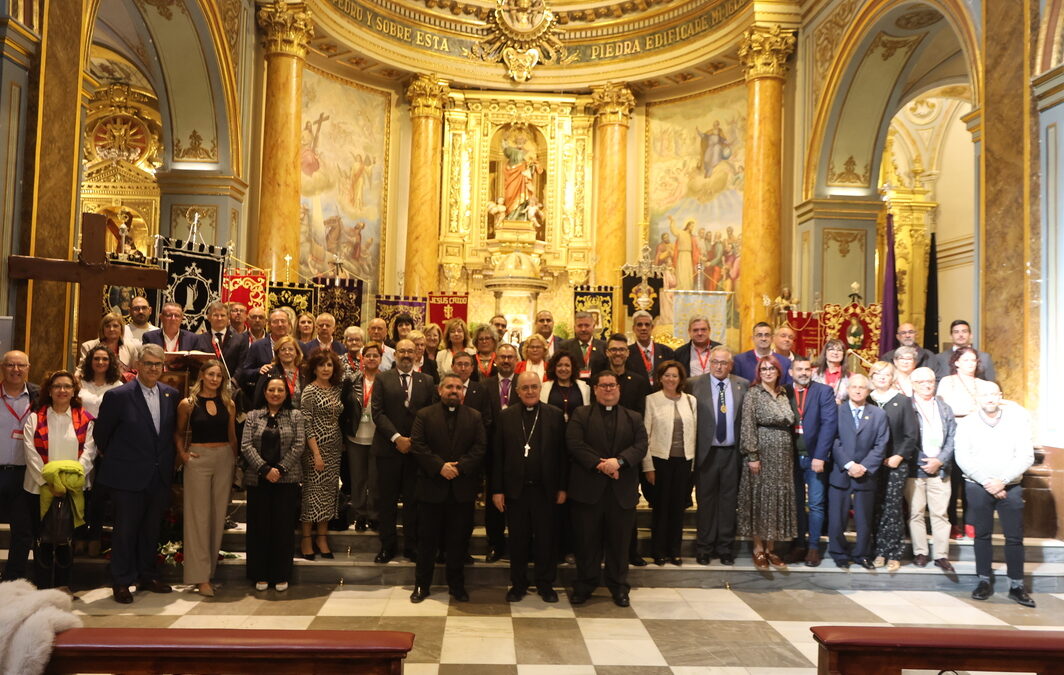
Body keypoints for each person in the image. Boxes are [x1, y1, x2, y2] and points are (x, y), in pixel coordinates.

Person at [93, 344, 179, 603]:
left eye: (158, 364)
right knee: (125, 531)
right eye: (149, 363)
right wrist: (124, 459)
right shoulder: (119, 396)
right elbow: (101, 436)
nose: (153, 368)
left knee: (151, 530)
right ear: (138, 366)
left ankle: (147, 574)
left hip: (158, 475)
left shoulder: (171, 395)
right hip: (127, 476)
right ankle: (121, 581)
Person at [566, 371, 648, 607]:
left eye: (612, 385)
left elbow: (641, 445)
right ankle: (585, 584)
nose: (608, 389)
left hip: (620, 493)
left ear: (619, 389)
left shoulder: (633, 417)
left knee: (619, 544)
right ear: (595, 389)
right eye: (603, 386)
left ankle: (619, 586)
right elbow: (574, 443)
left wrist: (619, 462)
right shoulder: (581, 414)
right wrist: (601, 465)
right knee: (586, 543)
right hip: (588, 492)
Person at [954, 380, 1035, 607]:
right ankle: (984, 581)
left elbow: (1026, 456)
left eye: (993, 394)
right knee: (982, 536)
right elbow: (962, 456)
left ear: (1000, 396)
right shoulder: (967, 423)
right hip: (978, 485)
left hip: (1010, 485)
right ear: (977, 398)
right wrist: (987, 481)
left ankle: (1017, 585)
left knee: (1014, 537)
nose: (989, 398)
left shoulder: (1017, 421)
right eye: (984, 394)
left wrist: (1003, 481)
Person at [408, 373, 486, 603]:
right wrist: (440, 466)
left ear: (463, 391)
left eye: (458, 387)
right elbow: (418, 445)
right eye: (449, 387)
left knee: (458, 541)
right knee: (427, 541)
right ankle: (421, 586)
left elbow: (480, 448)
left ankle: (457, 586)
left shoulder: (475, 416)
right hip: (432, 487)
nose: (454, 391)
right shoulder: (424, 415)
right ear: (440, 390)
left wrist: (459, 468)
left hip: (461, 490)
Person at [492, 372, 567, 602]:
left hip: (546, 490)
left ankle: (546, 584)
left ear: (540, 389)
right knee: (518, 540)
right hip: (516, 490)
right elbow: (497, 455)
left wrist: (563, 487)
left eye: (534, 387)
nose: (530, 391)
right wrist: (497, 489)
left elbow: (563, 454)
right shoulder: (506, 416)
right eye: (525, 388)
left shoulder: (554, 415)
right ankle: (519, 584)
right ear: (517, 391)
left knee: (546, 539)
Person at [22, 370, 96, 591]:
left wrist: (69, 483)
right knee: (42, 539)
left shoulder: (85, 419)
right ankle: (43, 586)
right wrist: (50, 483)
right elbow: (30, 453)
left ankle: (63, 586)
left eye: (67, 386)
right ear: (50, 390)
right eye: (57, 386)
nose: (62, 390)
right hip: (39, 487)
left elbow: (89, 453)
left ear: (74, 391)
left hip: (73, 490)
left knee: (66, 539)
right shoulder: (35, 418)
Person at [371, 338, 438, 563]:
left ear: (417, 354)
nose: (407, 355)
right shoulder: (382, 378)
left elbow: (430, 415)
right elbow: (377, 413)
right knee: (386, 501)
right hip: (388, 449)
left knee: (413, 501)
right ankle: (387, 546)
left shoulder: (427, 380)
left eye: (411, 351)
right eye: (402, 351)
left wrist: (413, 441)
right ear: (395, 354)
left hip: (416, 452)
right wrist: (397, 438)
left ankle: (412, 545)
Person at [175, 359, 238, 597]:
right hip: (198, 458)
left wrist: (234, 462)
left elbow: (232, 437)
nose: (214, 379)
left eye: (219, 376)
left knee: (217, 516)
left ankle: (209, 573)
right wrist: (183, 454)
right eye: (211, 374)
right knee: (197, 518)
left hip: (223, 458)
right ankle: (199, 577)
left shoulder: (228, 403)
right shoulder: (188, 404)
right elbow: (178, 432)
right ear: (202, 375)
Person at [241, 374, 304, 592]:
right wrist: (265, 469)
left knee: (283, 528)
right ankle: (259, 573)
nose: (275, 394)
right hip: (258, 479)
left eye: (280, 390)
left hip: (287, 479)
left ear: (286, 393)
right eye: (271, 390)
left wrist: (280, 469)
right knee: (259, 528)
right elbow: (246, 445)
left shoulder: (295, 415)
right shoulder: (253, 415)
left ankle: (280, 574)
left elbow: (299, 444)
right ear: (264, 392)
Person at [736, 355, 796, 569]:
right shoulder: (753, 393)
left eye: (772, 368)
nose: (768, 372)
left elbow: (790, 420)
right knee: (760, 499)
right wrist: (752, 455)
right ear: (758, 373)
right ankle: (758, 548)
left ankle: (771, 549)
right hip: (762, 452)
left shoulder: (783, 393)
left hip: (782, 455)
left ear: (778, 371)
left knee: (776, 499)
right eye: (764, 369)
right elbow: (748, 425)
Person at [689, 347, 747, 565]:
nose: (719, 366)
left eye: (724, 363)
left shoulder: (742, 384)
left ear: (730, 365)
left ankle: (724, 547)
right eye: (715, 362)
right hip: (707, 452)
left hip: (732, 452)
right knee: (705, 501)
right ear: (709, 363)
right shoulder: (694, 384)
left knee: (728, 502)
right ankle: (704, 547)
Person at [827, 374, 888, 570]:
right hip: (841, 472)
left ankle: (862, 554)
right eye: (854, 387)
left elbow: (881, 444)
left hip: (866, 474)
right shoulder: (837, 411)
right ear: (848, 389)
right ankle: (839, 553)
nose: (858, 390)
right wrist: (848, 464)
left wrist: (864, 466)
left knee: (864, 519)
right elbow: (833, 441)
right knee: (837, 518)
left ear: (868, 390)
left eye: (862, 387)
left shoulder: (878, 414)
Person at [784, 355, 838, 567]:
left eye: (807, 369)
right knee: (796, 503)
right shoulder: (784, 391)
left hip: (814, 457)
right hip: (791, 458)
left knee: (815, 504)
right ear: (791, 372)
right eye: (799, 369)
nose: (803, 373)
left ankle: (813, 547)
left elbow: (829, 425)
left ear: (812, 371)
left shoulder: (823, 391)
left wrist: (820, 456)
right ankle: (799, 545)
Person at [641, 360, 695, 566]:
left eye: (675, 375)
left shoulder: (690, 401)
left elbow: (695, 434)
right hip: (660, 460)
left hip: (684, 461)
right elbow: (646, 434)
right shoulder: (651, 400)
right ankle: (658, 550)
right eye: (667, 375)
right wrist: (648, 466)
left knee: (678, 508)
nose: (671, 379)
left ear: (680, 379)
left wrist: (693, 465)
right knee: (661, 508)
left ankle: (675, 550)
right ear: (660, 378)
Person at [867, 361, 918, 572]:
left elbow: (911, 434)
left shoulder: (902, 401)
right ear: (871, 376)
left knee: (893, 507)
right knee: (874, 507)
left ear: (893, 378)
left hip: (895, 463)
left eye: (886, 374)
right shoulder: (866, 399)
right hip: (871, 464)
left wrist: (900, 455)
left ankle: (894, 552)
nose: (881, 377)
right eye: (877, 373)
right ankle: (878, 551)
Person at [907, 367, 956, 572]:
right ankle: (920, 552)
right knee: (916, 512)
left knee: (940, 513)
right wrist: (924, 461)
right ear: (913, 384)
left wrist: (940, 460)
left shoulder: (944, 408)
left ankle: (941, 555)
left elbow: (953, 437)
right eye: (922, 382)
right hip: (915, 469)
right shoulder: (906, 406)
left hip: (941, 469)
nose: (927, 385)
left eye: (930, 381)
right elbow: (905, 437)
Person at [936, 345, 987, 539]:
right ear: (956, 362)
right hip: (953, 436)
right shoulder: (948, 382)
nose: (970, 364)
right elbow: (945, 408)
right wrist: (970, 412)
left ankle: (970, 521)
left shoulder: (983, 385)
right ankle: (951, 522)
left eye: (973, 360)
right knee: (952, 480)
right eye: (965, 360)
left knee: (972, 481)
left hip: (976, 438)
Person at [298, 349, 345, 561]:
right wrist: (316, 453)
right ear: (314, 368)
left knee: (327, 494)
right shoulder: (309, 390)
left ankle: (322, 538)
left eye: (329, 365)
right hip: (315, 448)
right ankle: (306, 539)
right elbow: (306, 423)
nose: (325, 369)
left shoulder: (336, 389)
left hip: (334, 448)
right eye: (321, 365)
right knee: (311, 495)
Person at [0, 351, 38, 582]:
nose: (16, 369)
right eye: (11, 365)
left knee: (23, 532)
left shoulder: (39, 396)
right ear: (3, 367)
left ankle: (13, 579)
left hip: (25, 474)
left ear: (28, 367)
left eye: (21, 365)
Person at [482, 342, 519, 562]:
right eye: (502, 357)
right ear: (495, 360)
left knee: (516, 501)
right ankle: (494, 543)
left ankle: (517, 543)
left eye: (510, 357)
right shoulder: (484, 385)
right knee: (493, 500)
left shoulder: (523, 385)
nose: (506, 361)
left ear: (516, 361)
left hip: (517, 452)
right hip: (491, 452)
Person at [342, 342, 381, 533]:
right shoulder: (352, 379)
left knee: (375, 479)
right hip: (355, 435)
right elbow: (344, 407)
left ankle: (374, 514)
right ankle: (359, 514)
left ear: (380, 359)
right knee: (357, 478)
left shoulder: (386, 380)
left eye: (375, 355)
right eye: (368, 355)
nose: (371, 358)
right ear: (362, 359)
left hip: (378, 437)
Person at [194, 301, 249, 382]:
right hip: (206, 385)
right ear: (209, 318)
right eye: (216, 315)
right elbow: (197, 365)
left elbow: (242, 365)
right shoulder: (199, 339)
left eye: (222, 315)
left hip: (231, 386)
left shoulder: (240, 339)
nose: (219, 318)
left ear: (228, 318)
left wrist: (232, 382)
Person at [79, 312, 141, 378]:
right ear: (102, 329)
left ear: (121, 329)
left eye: (115, 326)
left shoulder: (130, 347)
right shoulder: (88, 346)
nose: (111, 329)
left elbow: (137, 371)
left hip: (122, 386)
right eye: (107, 326)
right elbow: (81, 371)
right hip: (95, 385)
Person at [252, 335, 305, 408]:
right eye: (283, 349)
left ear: (297, 353)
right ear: (278, 353)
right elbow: (258, 399)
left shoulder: (304, 372)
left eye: (291, 349)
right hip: (278, 414)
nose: (287, 352)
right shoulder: (269, 371)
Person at [626, 310, 676, 386]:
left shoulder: (666, 351)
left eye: (647, 325)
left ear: (652, 327)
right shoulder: (628, 353)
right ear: (633, 328)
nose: (643, 328)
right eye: (639, 325)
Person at [541, 351, 590, 422]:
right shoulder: (544, 388)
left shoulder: (584, 388)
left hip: (576, 430)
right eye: (559, 365)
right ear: (554, 368)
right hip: (552, 430)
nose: (563, 369)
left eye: (567, 365)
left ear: (572, 368)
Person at [560, 311, 607, 382]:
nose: (583, 329)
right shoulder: (565, 346)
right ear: (575, 328)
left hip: (597, 388)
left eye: (587, 325)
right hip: (573, 388)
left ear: (593, 327)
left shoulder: (604, 346)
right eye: (580, 326)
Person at [77, 345, 123, 417]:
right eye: (96, 359)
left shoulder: (119, 386)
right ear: (90, 361)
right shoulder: (79, 384)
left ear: (111, 362)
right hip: (82, 427)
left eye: (105, 359)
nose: (100, 362)